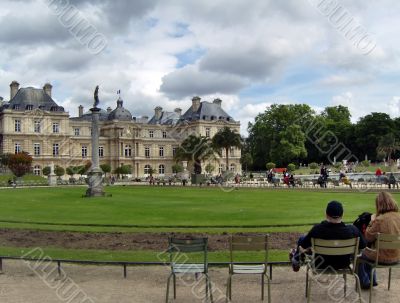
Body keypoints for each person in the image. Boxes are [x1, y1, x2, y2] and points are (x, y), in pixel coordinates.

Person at [290, 201, 366, 272]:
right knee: (304, 240)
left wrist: (308, 250)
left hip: (320, 264)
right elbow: (363, 245)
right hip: (343, 264)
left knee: (302, 239)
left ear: (326, 214)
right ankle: (296, 259)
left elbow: (303, 246)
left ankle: (296, 260)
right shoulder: (353, 230)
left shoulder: (317, 229)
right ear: (342, 214)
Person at [357, 192, 400, 288]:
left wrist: (372, 221)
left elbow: (368, 236)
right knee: (369, 251)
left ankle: (366, 281)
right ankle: (372, 279)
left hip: (382, 258)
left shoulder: (379, 220)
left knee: (361, 254)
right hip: (397, 257)